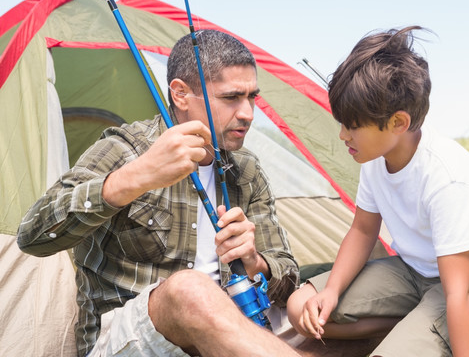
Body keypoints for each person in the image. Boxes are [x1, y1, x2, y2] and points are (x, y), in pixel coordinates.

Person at [18, 29, 300, 357]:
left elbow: (287, 274)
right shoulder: (125, 150)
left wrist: (256, 263)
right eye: (231, 97)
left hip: (225, 335)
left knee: (337, 304)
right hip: (126, 340)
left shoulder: (247, 171)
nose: (248, 113)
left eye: (252, 97)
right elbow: (33, 235)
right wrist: (132, 179)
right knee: (190, 287)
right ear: (180, 94)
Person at [286, 26, 469, 357]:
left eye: (353, 126)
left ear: (398, 123)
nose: (343, 135)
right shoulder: (375, 157)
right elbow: (362, 230)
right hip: (411, 272)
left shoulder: (445, 177)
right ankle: (411, 329)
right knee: (301, 308)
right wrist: (331, 291)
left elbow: (457, 293)